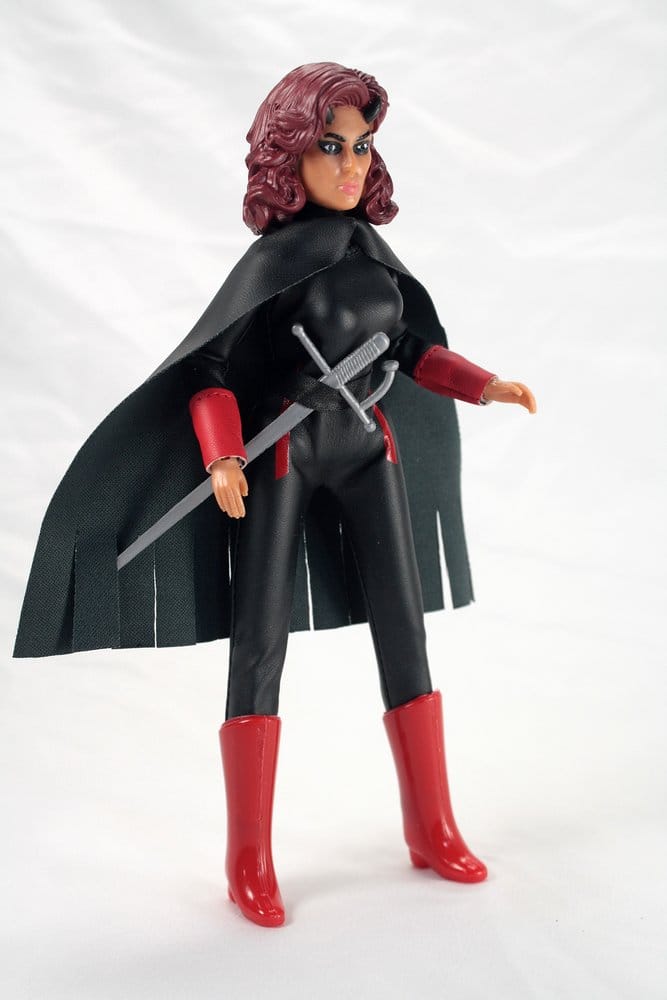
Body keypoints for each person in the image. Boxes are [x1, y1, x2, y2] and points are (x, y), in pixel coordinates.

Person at [15, 62, 536, 929]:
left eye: (361, 147)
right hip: (284, 453)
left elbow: (409, 349)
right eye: (330, 146)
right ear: (288, 154)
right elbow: (210, 370)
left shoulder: (373, 255)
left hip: (368, 449)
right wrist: (223, 456)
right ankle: (248, 858)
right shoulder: (273, 265)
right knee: (258, 644)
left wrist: (482, 384)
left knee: (403, 631)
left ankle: (431, 825)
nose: (350, 165)